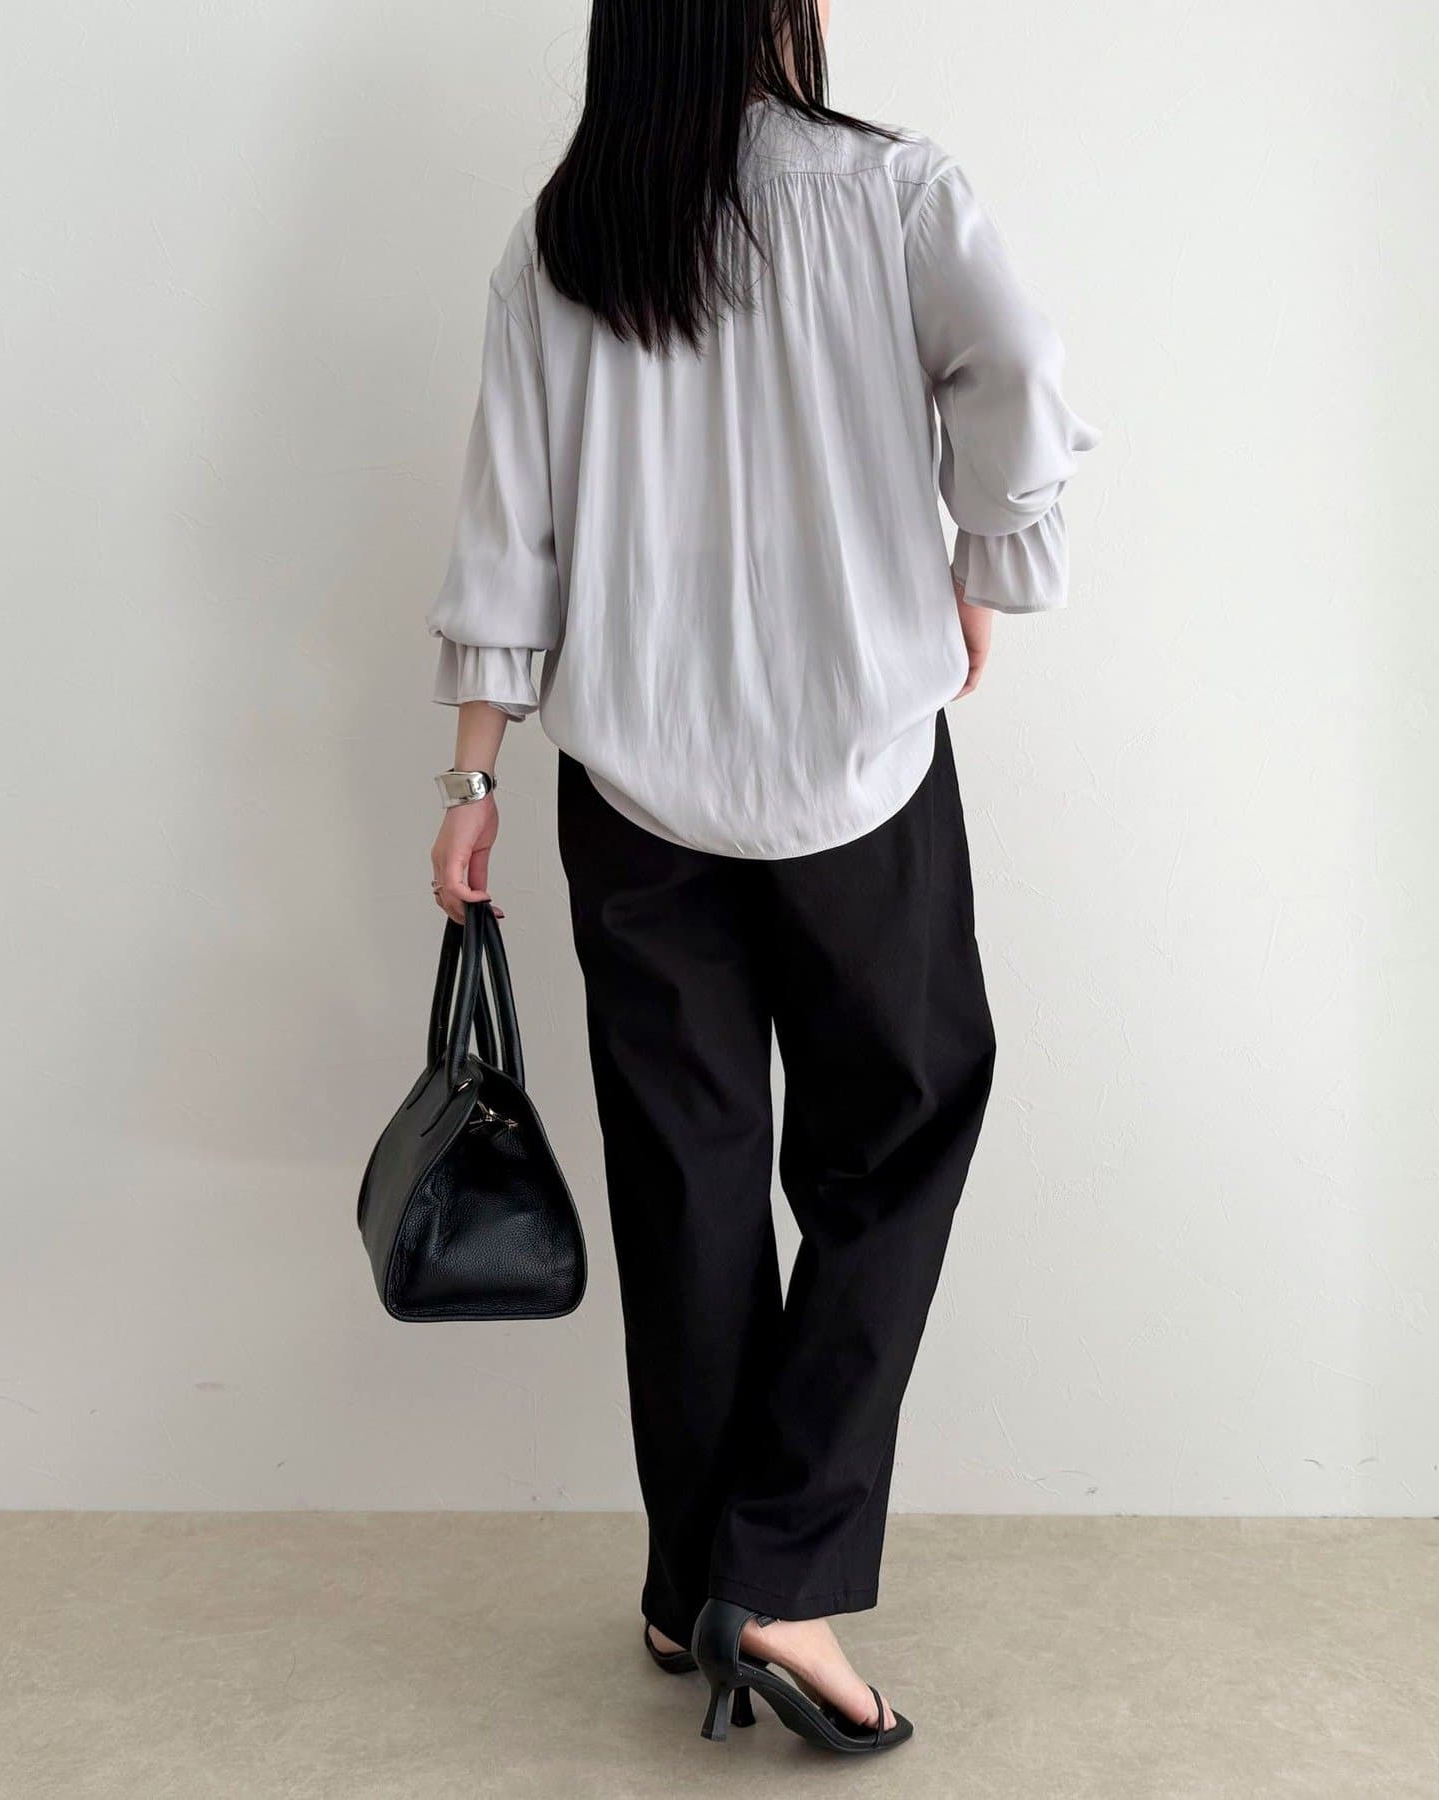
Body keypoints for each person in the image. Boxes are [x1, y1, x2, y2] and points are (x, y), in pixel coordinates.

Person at [425, 0, 1096, 1757]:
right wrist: (985, 559)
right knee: (899, 1138)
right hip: (855, 760)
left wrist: (473, 773)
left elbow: (507, 528)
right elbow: (1018, 374)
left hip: (630, 784)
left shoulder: (565, 237)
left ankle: (692, 1582)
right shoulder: (896, 193)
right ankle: (776, 1576)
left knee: (688, 1180)